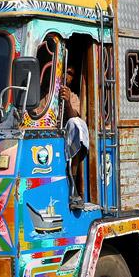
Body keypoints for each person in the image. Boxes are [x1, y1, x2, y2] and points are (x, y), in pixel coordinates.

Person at [60, 65, 90, 208]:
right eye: (64, 71)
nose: (66, 75)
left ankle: (73, 185)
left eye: (70, 73)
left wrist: (66, 103)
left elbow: (74, 118)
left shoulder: (73, 97)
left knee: (77, 125)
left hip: (67, 142)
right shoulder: (44, 94)